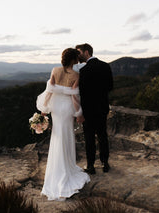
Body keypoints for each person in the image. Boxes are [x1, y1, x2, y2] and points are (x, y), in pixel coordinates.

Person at [36, 48, 90, 201]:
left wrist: (44, 110)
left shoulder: (55, 70)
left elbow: (49, 91)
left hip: (56, 108)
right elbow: (74, 97)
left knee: (57, 135)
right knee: (67, 135)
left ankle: (56, 169)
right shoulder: (76, 75)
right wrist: (79, 114)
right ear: (74, 60)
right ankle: (67, 166)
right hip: (66, 108)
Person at [76, 43, 113, 174]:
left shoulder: (83, 71)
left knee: (89, 138)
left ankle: (90, 165)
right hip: (102, 107)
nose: (78, 55)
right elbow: (110, 87)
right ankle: (105, 163)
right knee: (103, 135)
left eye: (79, 52)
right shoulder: (105, 66)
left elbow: (81, 92)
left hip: (88, 110)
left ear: (87, 52)